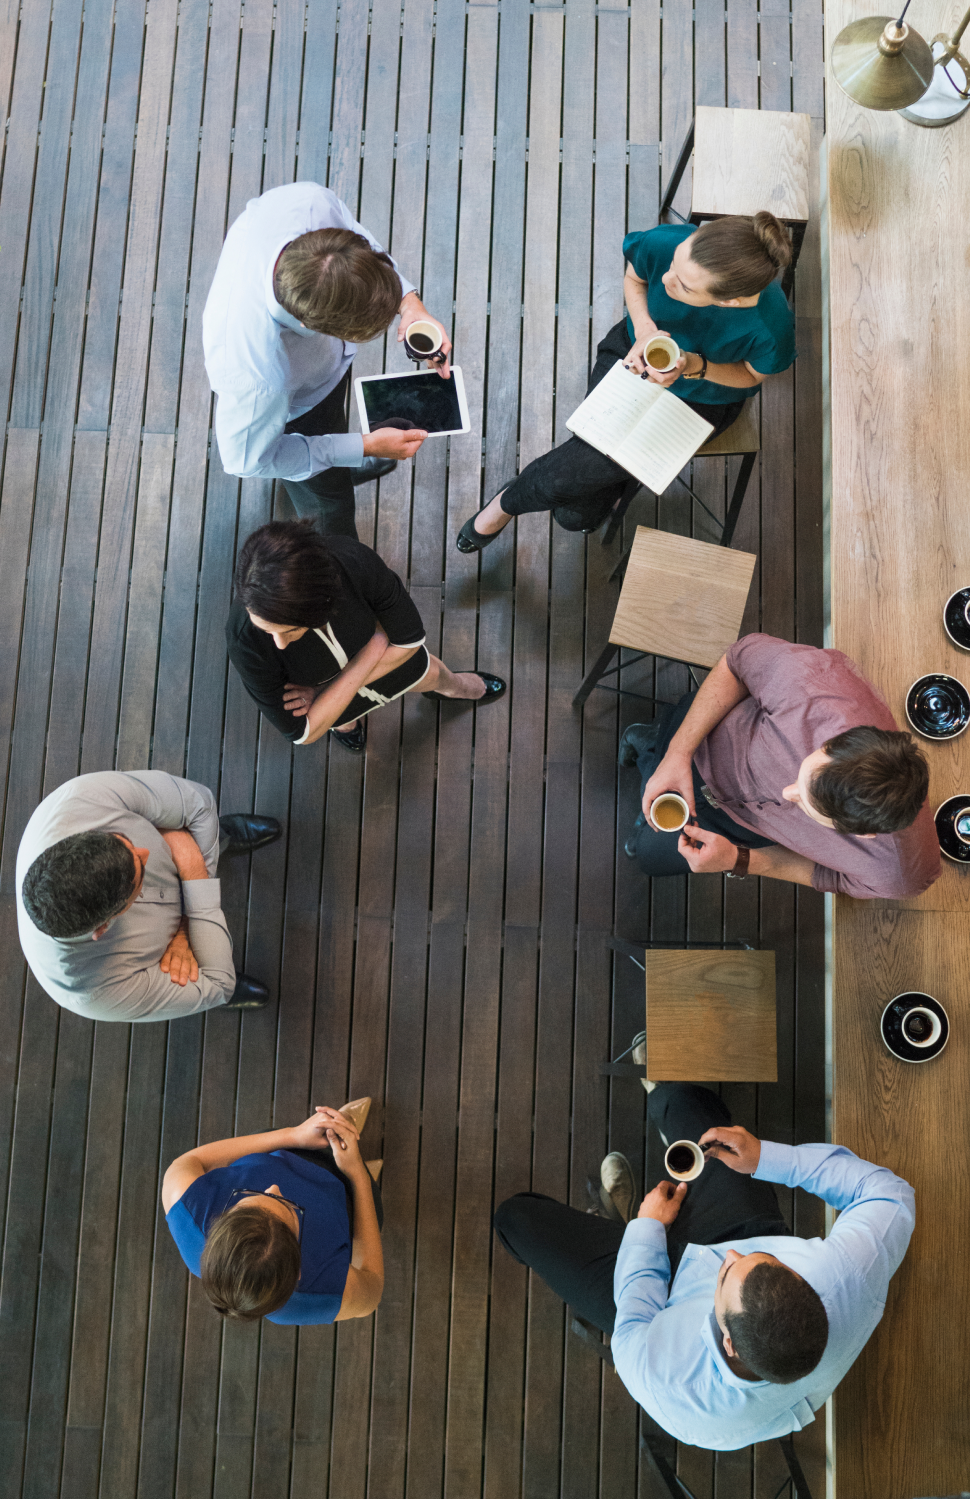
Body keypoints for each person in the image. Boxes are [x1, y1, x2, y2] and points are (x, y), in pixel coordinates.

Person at [493, 1083, 915, 1451]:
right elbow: (892, 1195)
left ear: (727, 1342)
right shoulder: (844, 1276)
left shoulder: (669, 1383)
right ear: (803, 1283)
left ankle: (625, 1220)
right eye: (767, 1262)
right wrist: (764, 1158)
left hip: (655, 1303)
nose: (728, 1258)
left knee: (516, 1220)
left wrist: (647, 1228)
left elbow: (636, 1316)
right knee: (690, 1109)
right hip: (740, 1228)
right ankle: (666, 1098)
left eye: (729, 1272)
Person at [456, 212, 795, 550]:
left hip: (702, 400)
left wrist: (695, 365)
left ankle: (505, 502)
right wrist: (645, 327)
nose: (665, 279)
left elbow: (751, 375)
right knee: (580, 507)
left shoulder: (772, 326)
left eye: (685, 285)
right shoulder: (668, 242)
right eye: (674, 265)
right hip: (631, 353)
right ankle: (509, 505)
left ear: (728, 302)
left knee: (577, 512)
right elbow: (636, 280)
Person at [203, 181, 452, 540]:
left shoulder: (308, 203)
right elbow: (246, 460)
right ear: (313, 326)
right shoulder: (256, 376)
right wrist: (361, 446)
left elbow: (356, 237)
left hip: (319, 377)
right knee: (329, 506)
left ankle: (341, 468)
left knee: (334, 438)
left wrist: (410, 302)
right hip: (292, 413)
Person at [620, 633, 940, 899]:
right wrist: (678, 752)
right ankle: (647, 743)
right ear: (832, 744)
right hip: (703, 741)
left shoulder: (898, 873)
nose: (787, 792)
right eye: (804, 775)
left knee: (648, 856)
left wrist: (738, 859)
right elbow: (736, 663)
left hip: (740, 828)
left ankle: (647, 758)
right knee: (657, 755)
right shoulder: (813, 686)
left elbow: (834, 879)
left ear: (863, 833)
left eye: (808, 804)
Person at [16, 770, 279, 1020]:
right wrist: (188, 862)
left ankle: (224, 838)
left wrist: (189, 923)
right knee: (213, 988)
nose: (145, 852)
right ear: (105, 925)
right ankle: (199, 981)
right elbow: (219, 985)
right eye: (140, 870)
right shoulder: (91, 992)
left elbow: (199, 805)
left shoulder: (77, 799)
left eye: (123, 838)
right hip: (178, 964)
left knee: (206, 829)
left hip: (187, 902)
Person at [226, 519, 506, 753]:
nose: (280, 643)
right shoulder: (242, 639)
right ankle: (346, 723)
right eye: (266, 629)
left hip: (340, 688)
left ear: (323, 603)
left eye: (291, 630)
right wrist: (375, 646)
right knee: (339, 717)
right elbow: (303, 732)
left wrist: (325, 694)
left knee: (432, 673)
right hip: (368, 664)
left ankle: (456, 687)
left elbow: (409, 641)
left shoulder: (352, 560)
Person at [162, 1098, 384, 1325]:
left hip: (281, 1151)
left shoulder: (186, 1205)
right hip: (344, 1203)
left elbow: (191, 1160)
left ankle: (345, 1126)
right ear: (298, 1271)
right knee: (367, 1191)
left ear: (220, 1221)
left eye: (247, 1197)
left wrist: (293, 1135)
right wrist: (358, 1176)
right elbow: (372, 1285)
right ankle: (368, 1171)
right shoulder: (315, 1297)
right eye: (286, 1205)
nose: (274, 1187)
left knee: (335, 1127)